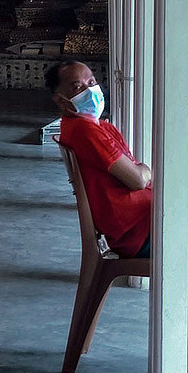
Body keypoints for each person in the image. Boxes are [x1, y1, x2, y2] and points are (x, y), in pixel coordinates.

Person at [48, 59, 153, 258]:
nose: (90, 91)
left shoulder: (97, 126)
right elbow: (138, 179)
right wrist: (145, 169)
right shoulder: (85, 132)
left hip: (143, 222)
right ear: (61, 100)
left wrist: (142, 171)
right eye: (78, 87)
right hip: (139, 233)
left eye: (92, 83)